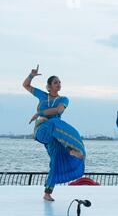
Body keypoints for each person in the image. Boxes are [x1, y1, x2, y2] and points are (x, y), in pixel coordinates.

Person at [23, 65, 85, 201]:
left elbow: (58, 110)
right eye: (56, 82)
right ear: (49, 86)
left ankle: (47, 192)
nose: (59, 84)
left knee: (55, 161)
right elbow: (26, 85)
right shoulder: (42, 96)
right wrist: (31, 75)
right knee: (53, 122)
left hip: (55, 136)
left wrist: (39, 113)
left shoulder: (64, 99)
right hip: (42, 130)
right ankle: (69, 148)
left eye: (60, 82)